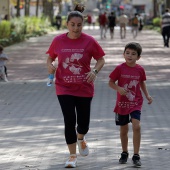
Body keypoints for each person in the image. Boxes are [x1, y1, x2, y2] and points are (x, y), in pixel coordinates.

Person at [46, 4, 105, 168]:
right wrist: (50, 65)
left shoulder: (89, 41)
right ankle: (72, 156)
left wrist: (94, 71)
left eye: (79, 25)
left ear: (83, 24)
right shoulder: (58, 40)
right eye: (73, 24)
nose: (76, 28)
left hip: (85, 87)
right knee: (69, 120)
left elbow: (101, 59)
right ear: (67, 24)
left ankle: (81, 138)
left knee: (83, 124)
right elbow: (50, 58)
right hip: (63, 87)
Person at [108, 42, 153, 167]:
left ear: (138, 57)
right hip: (122, 103)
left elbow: (142, 83)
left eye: (133, 54)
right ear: (123, 54)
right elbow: (110, 82)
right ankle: (124, 152)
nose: (130, 56)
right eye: (127, 53)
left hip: (135, 102)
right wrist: (118, 88)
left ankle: (136, 155)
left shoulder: (140, 69)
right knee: (123, 130)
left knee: (136, 126)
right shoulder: (119, 68)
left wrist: (147, 95)